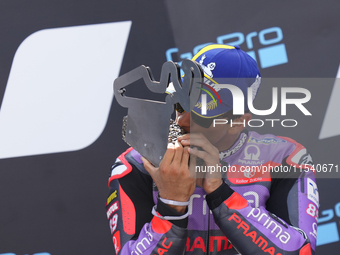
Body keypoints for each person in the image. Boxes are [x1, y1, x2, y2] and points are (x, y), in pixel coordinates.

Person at [106, 44, 318, 255]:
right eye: (181, 102)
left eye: (203, 111)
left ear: (237, 122)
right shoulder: (136, 165)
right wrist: (171, 205)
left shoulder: (285, 159)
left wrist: (221, 195)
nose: (182, 119)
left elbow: (300, 251)